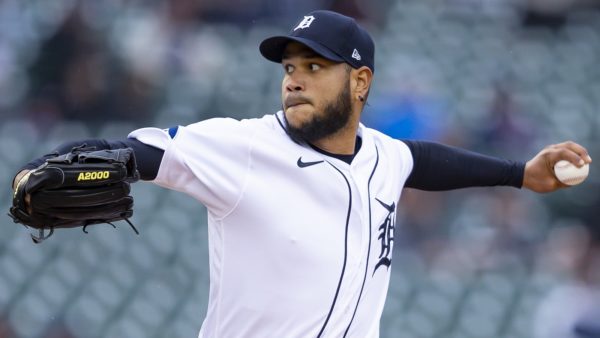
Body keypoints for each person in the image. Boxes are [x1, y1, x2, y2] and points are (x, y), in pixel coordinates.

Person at [11, 10, 592, 338]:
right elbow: (133, 153)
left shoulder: (384, 156)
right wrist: (47, 166)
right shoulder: (242, 146)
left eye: (315, 66)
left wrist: (521, 173)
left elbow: (427, 162)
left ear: (360, 83)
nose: (294, 79)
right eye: (291, 66)